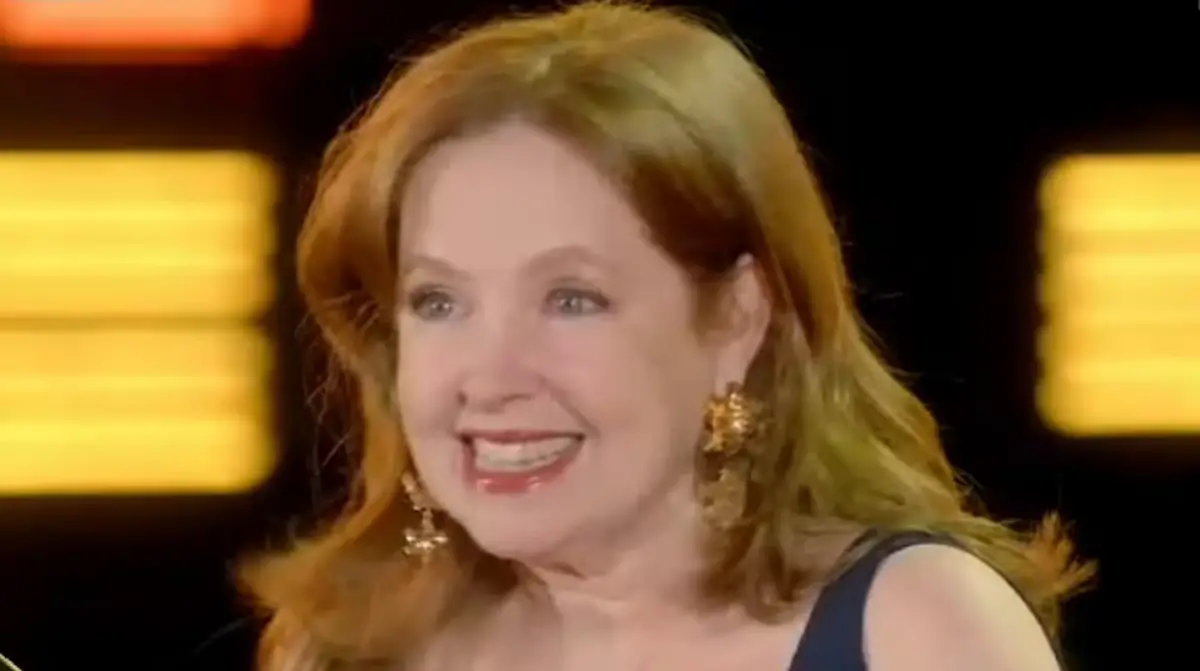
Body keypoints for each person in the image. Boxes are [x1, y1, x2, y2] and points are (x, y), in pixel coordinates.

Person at [239, 2, 1093, 669]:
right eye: (438, 301)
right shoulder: (345, 647)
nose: (489, 377)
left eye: (571, 299)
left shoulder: (917, 626)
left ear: (736, 317)